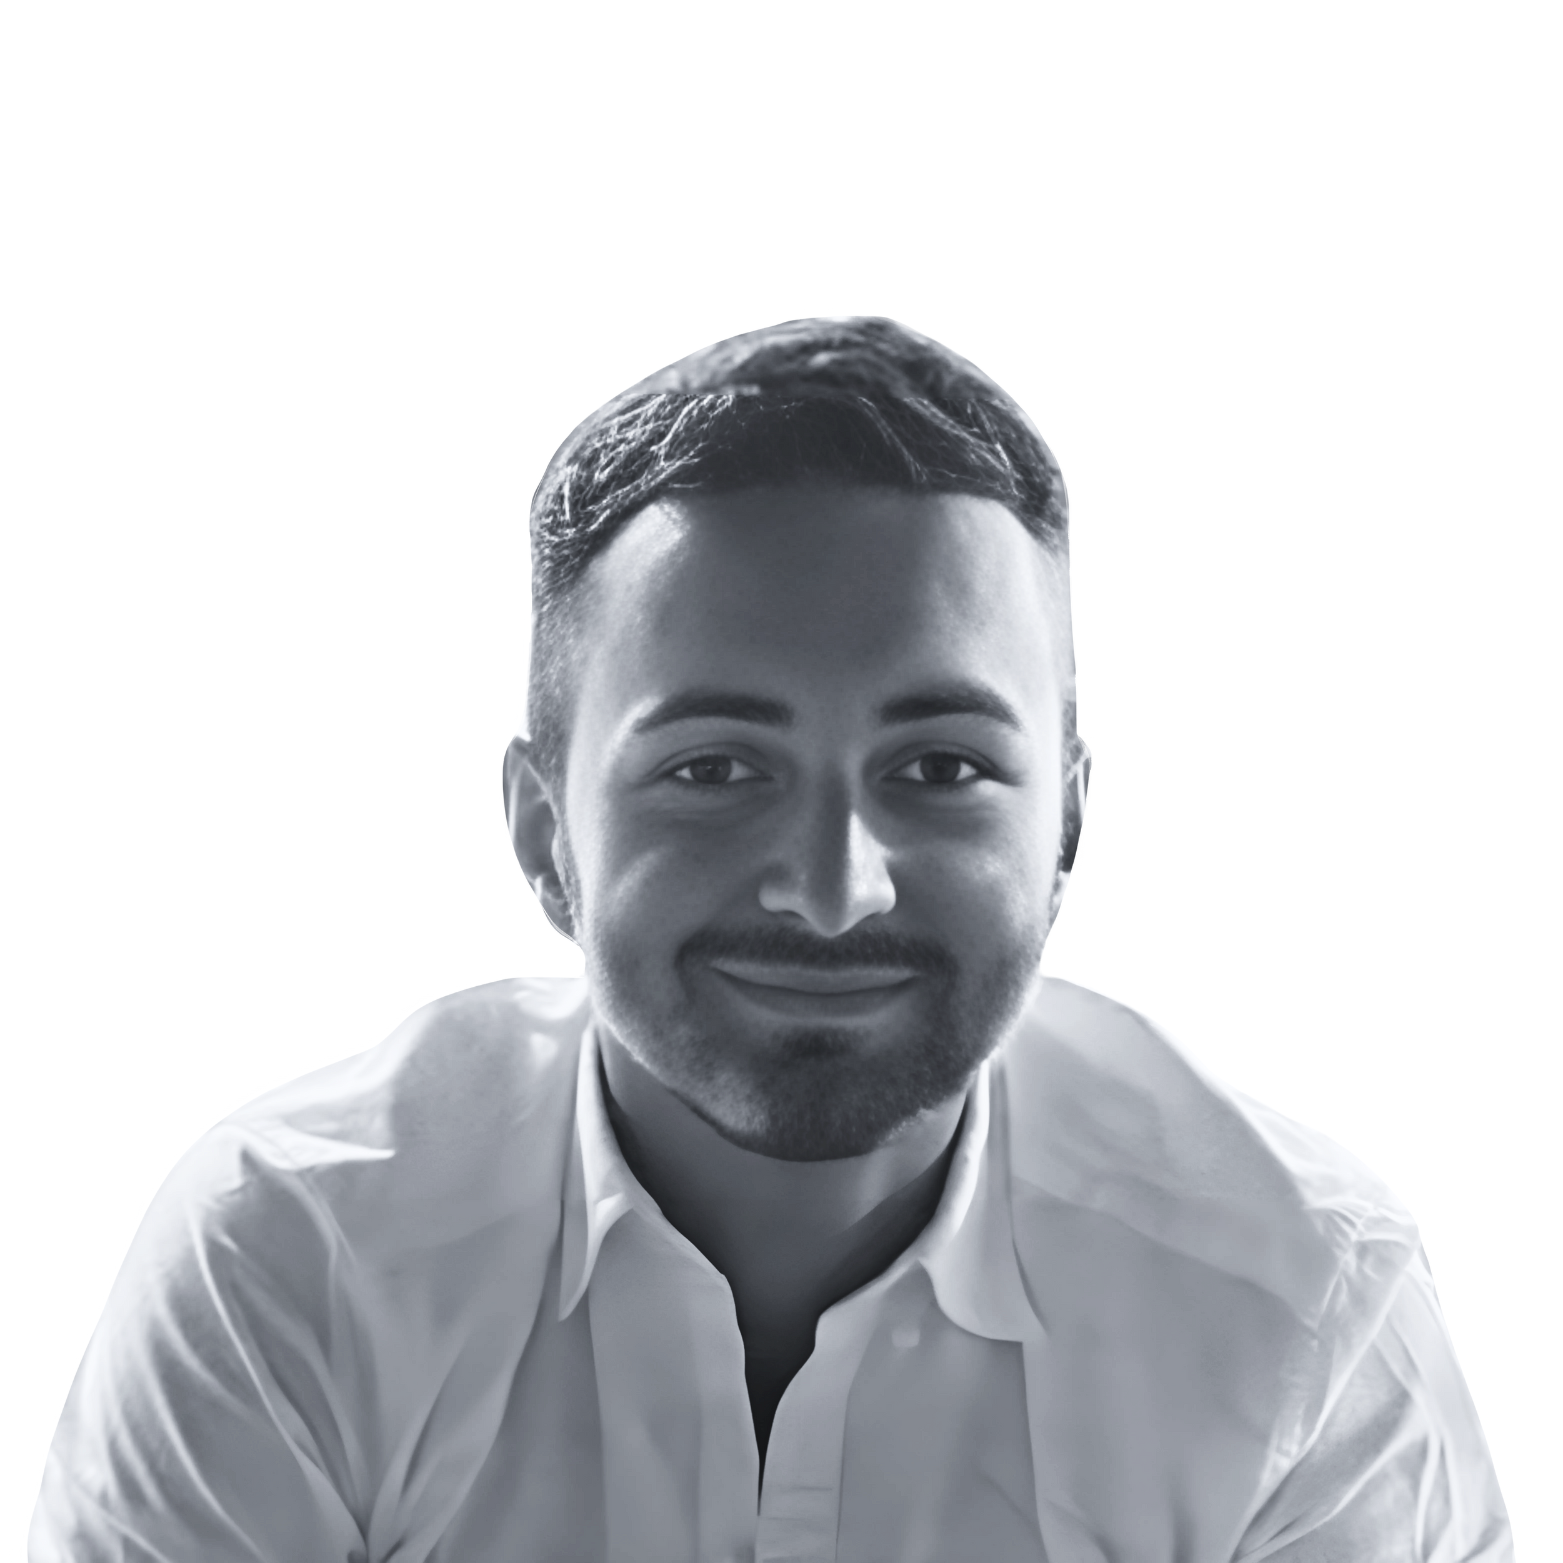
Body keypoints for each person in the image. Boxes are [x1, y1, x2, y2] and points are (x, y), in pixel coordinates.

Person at [32, 317, 1511, 1562]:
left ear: (1064, 821)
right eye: (715, 768)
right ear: (545, 831)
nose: (832, 889)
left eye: (939, 767)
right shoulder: (293, 1261)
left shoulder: (1305, 1310)